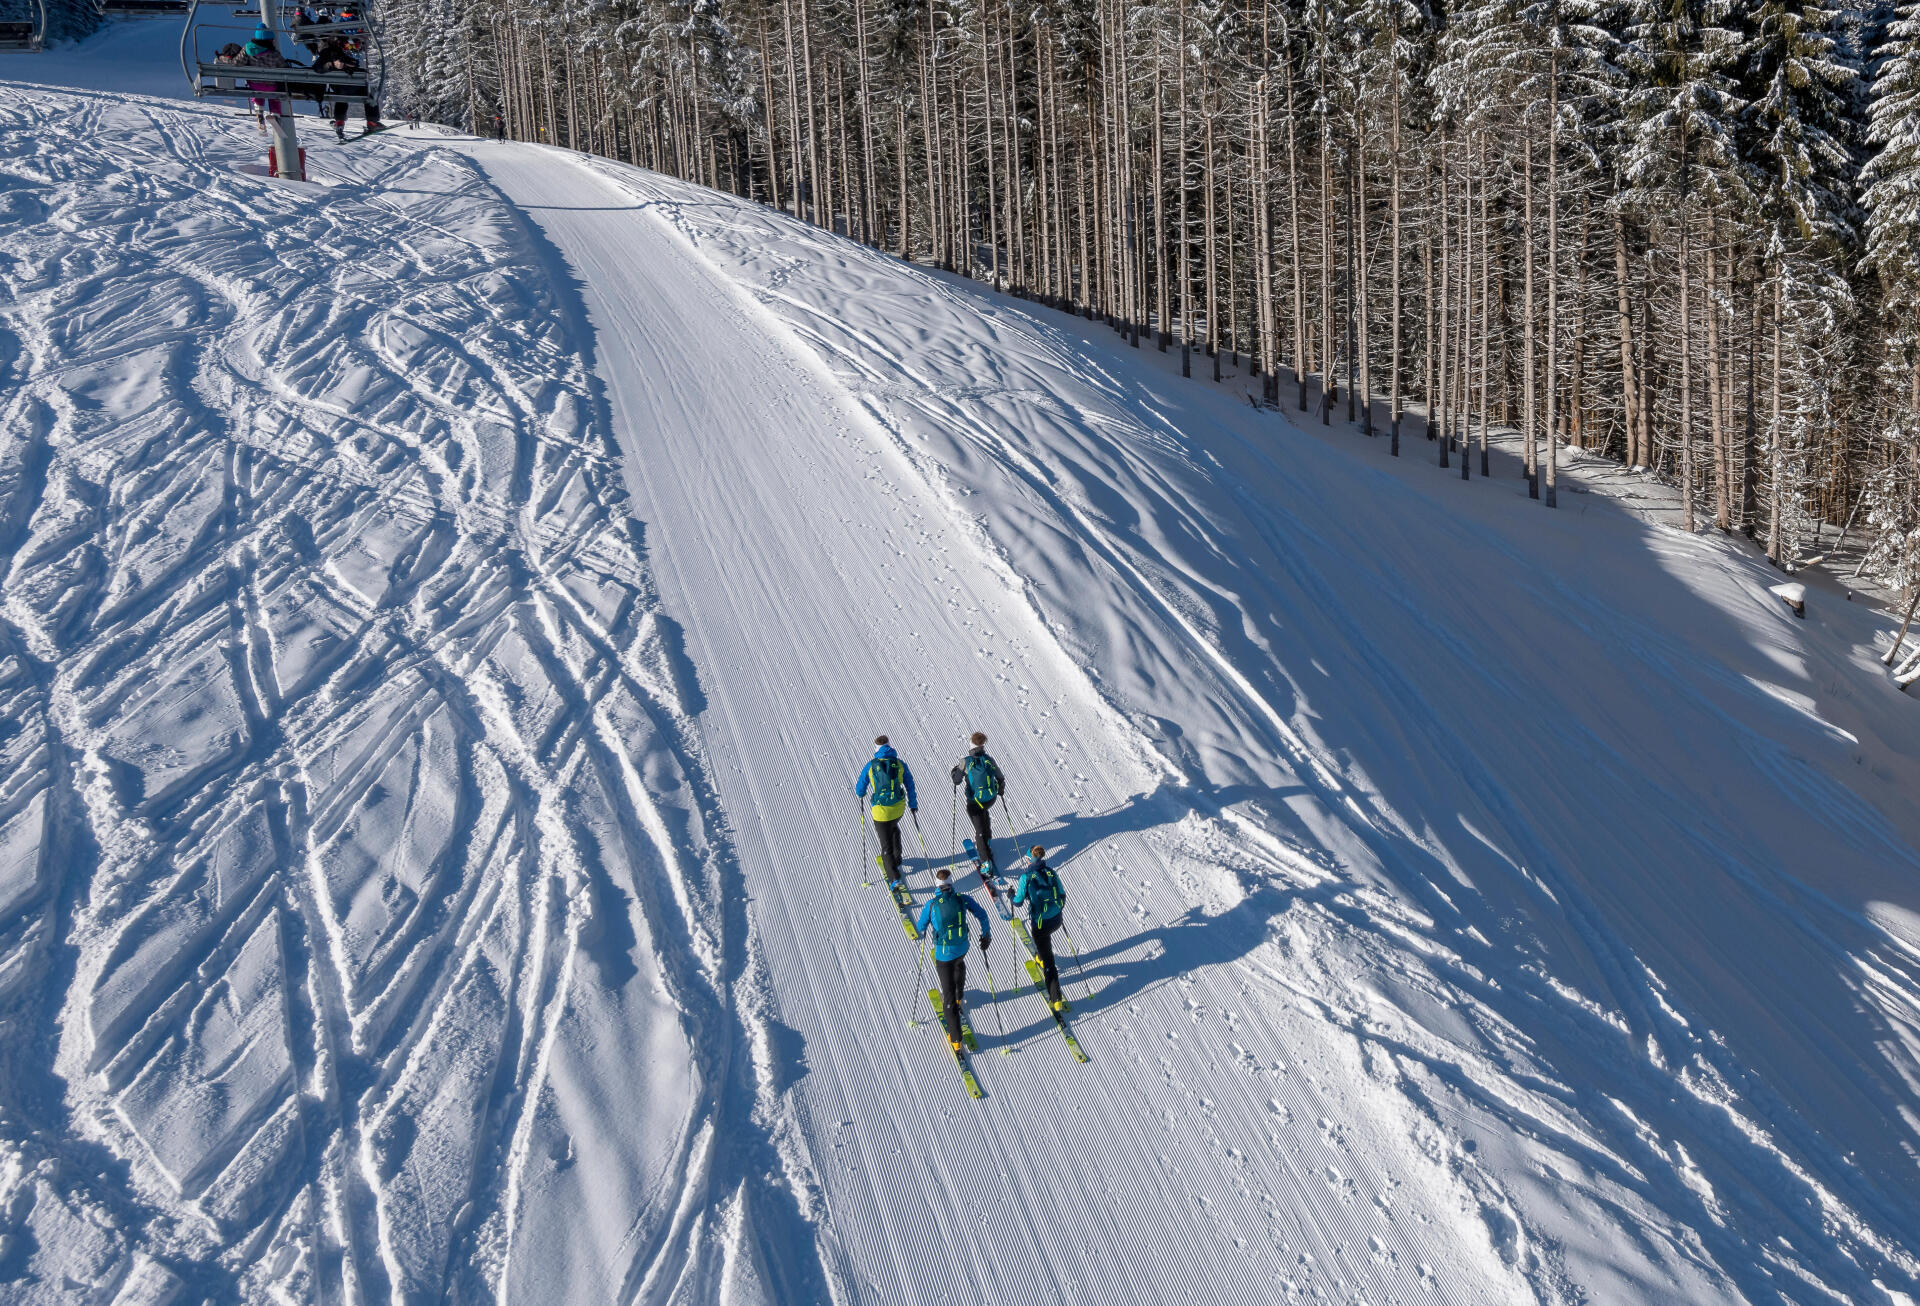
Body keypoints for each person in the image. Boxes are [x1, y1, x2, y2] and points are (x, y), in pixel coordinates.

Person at [917, 866, 992, 1051]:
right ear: (951, 883)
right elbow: (982, 914)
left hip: (943, 953)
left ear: (937, 885)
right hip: (963, 946)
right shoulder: (962, 899)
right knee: (960, 964)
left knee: (946, 996)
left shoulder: (931, 904)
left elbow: (920, 926)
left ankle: (956, 1040)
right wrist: (986, 934)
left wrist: (927, 926)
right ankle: (960, 996)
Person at [854, 735, 918, 885]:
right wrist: (913, 804)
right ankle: (897, 858)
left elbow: (860, 789)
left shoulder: (871, 765)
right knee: (894, 828)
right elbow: (910, 785)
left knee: (885, 845)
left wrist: (861, 794)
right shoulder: (900, 764)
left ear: (876, 748)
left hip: (881, 812)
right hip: (898, 808)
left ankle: (894, 878)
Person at [1012, 845, 1067, 1008]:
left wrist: (1011, 896)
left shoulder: (1026, 877)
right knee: (1044, 945)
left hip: (1041, 923)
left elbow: (1018, 902)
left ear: (1029, 859)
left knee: (1049, 962)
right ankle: (1041, 957)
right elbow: (1063, 895)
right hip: (1056, 919)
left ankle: (1056, 998)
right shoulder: (1051, 872)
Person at [949, 731, 1005, 870]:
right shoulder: (989, 759)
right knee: (984, 813)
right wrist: (1000, 791)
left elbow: (957, 781)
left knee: (979, 830)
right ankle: (988, 841)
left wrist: (954, 772)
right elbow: (1000, 777)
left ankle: (986, 861)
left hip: (974, 802)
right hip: (990, 799)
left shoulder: (965, 761)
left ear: (971, 745)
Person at [309, 36, 381, 138]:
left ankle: (339, 122)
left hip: (340, 88)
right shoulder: (334, 53)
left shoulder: (327, 56)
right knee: (369, 92)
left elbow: (318, 68)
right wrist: (338, 65)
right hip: (353, 87)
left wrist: (336, 65)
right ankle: (372, 122)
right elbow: (353, 63)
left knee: (341, 93)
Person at [238, 26, 300, 129]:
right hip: (272, 86)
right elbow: (284, 67)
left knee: (258, 91)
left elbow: (237, 63)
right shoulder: (274, 54)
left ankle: (259, 111)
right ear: (270, 40)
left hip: (254, 85)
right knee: (275, 93)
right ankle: (275, 114)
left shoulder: (247, 49)